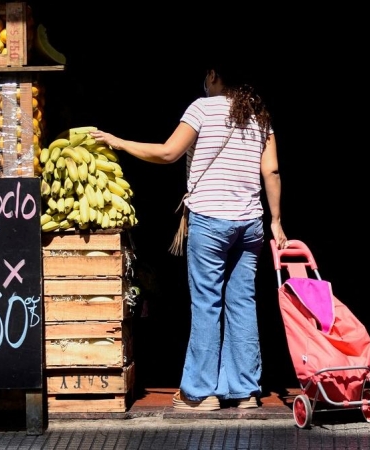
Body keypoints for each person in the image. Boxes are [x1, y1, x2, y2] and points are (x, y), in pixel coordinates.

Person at [89, 61, 288, 410]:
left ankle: (200, 393)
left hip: (210, 220)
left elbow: (168, 152)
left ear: (213, 75)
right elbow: (271, 170)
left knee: (207, 303)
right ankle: (244, 391)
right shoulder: (260, 114)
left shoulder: (201, 107)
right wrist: (276, 221)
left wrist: (118, 142)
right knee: (242, 302)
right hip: (250, 223)